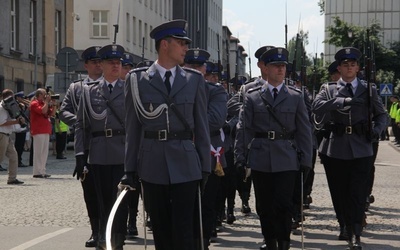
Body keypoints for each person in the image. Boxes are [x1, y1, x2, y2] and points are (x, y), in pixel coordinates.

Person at [121, 19, 210, 250]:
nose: (186, 49)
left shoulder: (194, 80)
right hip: (153, 163)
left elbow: (201, 126)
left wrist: (205, 165)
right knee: (160, 229)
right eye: (181, 43)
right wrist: (129, 170)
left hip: (187, 163)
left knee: (184, 229)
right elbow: (132, 127)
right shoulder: (137, 80)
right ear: (164, 45)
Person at [235, 47, 312, 250]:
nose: (280, 70)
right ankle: (270, 241)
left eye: (283, 66)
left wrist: (307, 160)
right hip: (261, 157)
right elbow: (244, 129)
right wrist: (240, 156)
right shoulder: (252, 97)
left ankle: (284, 242)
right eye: (276, 66)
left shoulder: (296, 97)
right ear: (265, 69)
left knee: (284, 204)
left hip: (287, 157)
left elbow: (304, 130)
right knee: (264, 206)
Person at [312, 47, 387, 250]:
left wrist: (378, 129)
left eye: (353, 64)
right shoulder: (327, 89)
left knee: (357, 191)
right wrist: (343, 101)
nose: (349, 68)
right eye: (345, 65)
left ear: (358, 68)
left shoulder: (368, 89)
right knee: (339, 191)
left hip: (362, 147)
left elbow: (382, 115)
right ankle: (343, 224)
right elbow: (316, 107)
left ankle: (355, 232)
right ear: (339, 68)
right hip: (335, 147)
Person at [74, 44, 128, 249]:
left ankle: (118, 239)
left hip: (123, 153)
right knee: (102, 200)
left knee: (121, 202)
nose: (116, 66)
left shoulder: (130, 90)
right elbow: (81, 125)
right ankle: (104, 239)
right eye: (111, 62)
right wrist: (80, 154)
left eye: (118, 62)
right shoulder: (89, 92)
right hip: (98, 154)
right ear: (102, 65)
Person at [59, 45, 103, 248]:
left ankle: (109, 230)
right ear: (86, 65)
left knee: (110, 192)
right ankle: (96, 231)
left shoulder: (111, 85)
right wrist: (79, 120)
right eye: (93, 62)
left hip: (108, 143)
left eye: (99, 61)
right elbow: (64, 111)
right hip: (85, 145)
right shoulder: (76, 88)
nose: (97, 65)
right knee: (90, 192)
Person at [184, 48, 228, 249]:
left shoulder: (215, 91)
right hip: (180, 155)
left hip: (208, 155)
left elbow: (215, 120)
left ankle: (202, 243)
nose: (194, 70)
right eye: (190, 66)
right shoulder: (175, 90)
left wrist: (183, 124)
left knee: (206, 205)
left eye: (198, 66)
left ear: (204, 69)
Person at [29, 88, 56, 178]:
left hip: (46, 130)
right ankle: (37, 172)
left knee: (45, 152)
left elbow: (52, 114)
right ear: (39, 95)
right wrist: (47, 102)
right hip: (38, 130)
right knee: (38, 152)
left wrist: (54, 104)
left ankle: (42, 170)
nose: (46, 96)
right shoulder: (34, 103)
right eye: (44, 94)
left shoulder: (44, 103)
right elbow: (43, 111)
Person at [0, 89, 25, 185]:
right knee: (0, 158)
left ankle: (12, 179)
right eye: (12, 97)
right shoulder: (2, 108)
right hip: (2, 135)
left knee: (14, 156)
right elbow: (1, 123)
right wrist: (16, 122)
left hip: (7, 135)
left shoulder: (8, 106)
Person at [14, 91, 29, 168]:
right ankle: (18, 161)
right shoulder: (15, 105)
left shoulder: (22, 105)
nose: (22, 99)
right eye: (21, 98)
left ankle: (19, 160)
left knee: (21, 145)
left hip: (23, 128)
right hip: (19, 128)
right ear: (17, 98)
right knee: (18, 146)